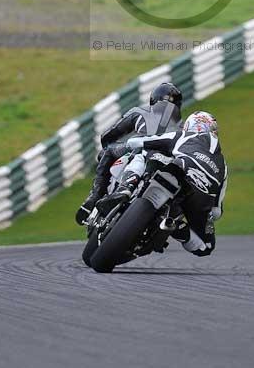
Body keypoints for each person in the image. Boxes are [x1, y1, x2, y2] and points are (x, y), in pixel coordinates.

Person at [75, 82, 183, 225]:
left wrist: (106, 149)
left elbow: (109, 135)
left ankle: (94, 197)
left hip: (139, 148)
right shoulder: (183, 128)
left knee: (107, 151)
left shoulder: (140, 111)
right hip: (168, 161)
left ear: (153, 99)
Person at [124, 110, 228, 257]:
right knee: (206, 247)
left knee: (142, 152)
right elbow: (217, 210)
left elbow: (138, 142)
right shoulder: (223, 163)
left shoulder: (182, 135)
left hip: (177, 171)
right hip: (200, 198)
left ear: (188, 126)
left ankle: (127, 186)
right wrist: (208, 217)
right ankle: (177, 227)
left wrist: (124, 146)